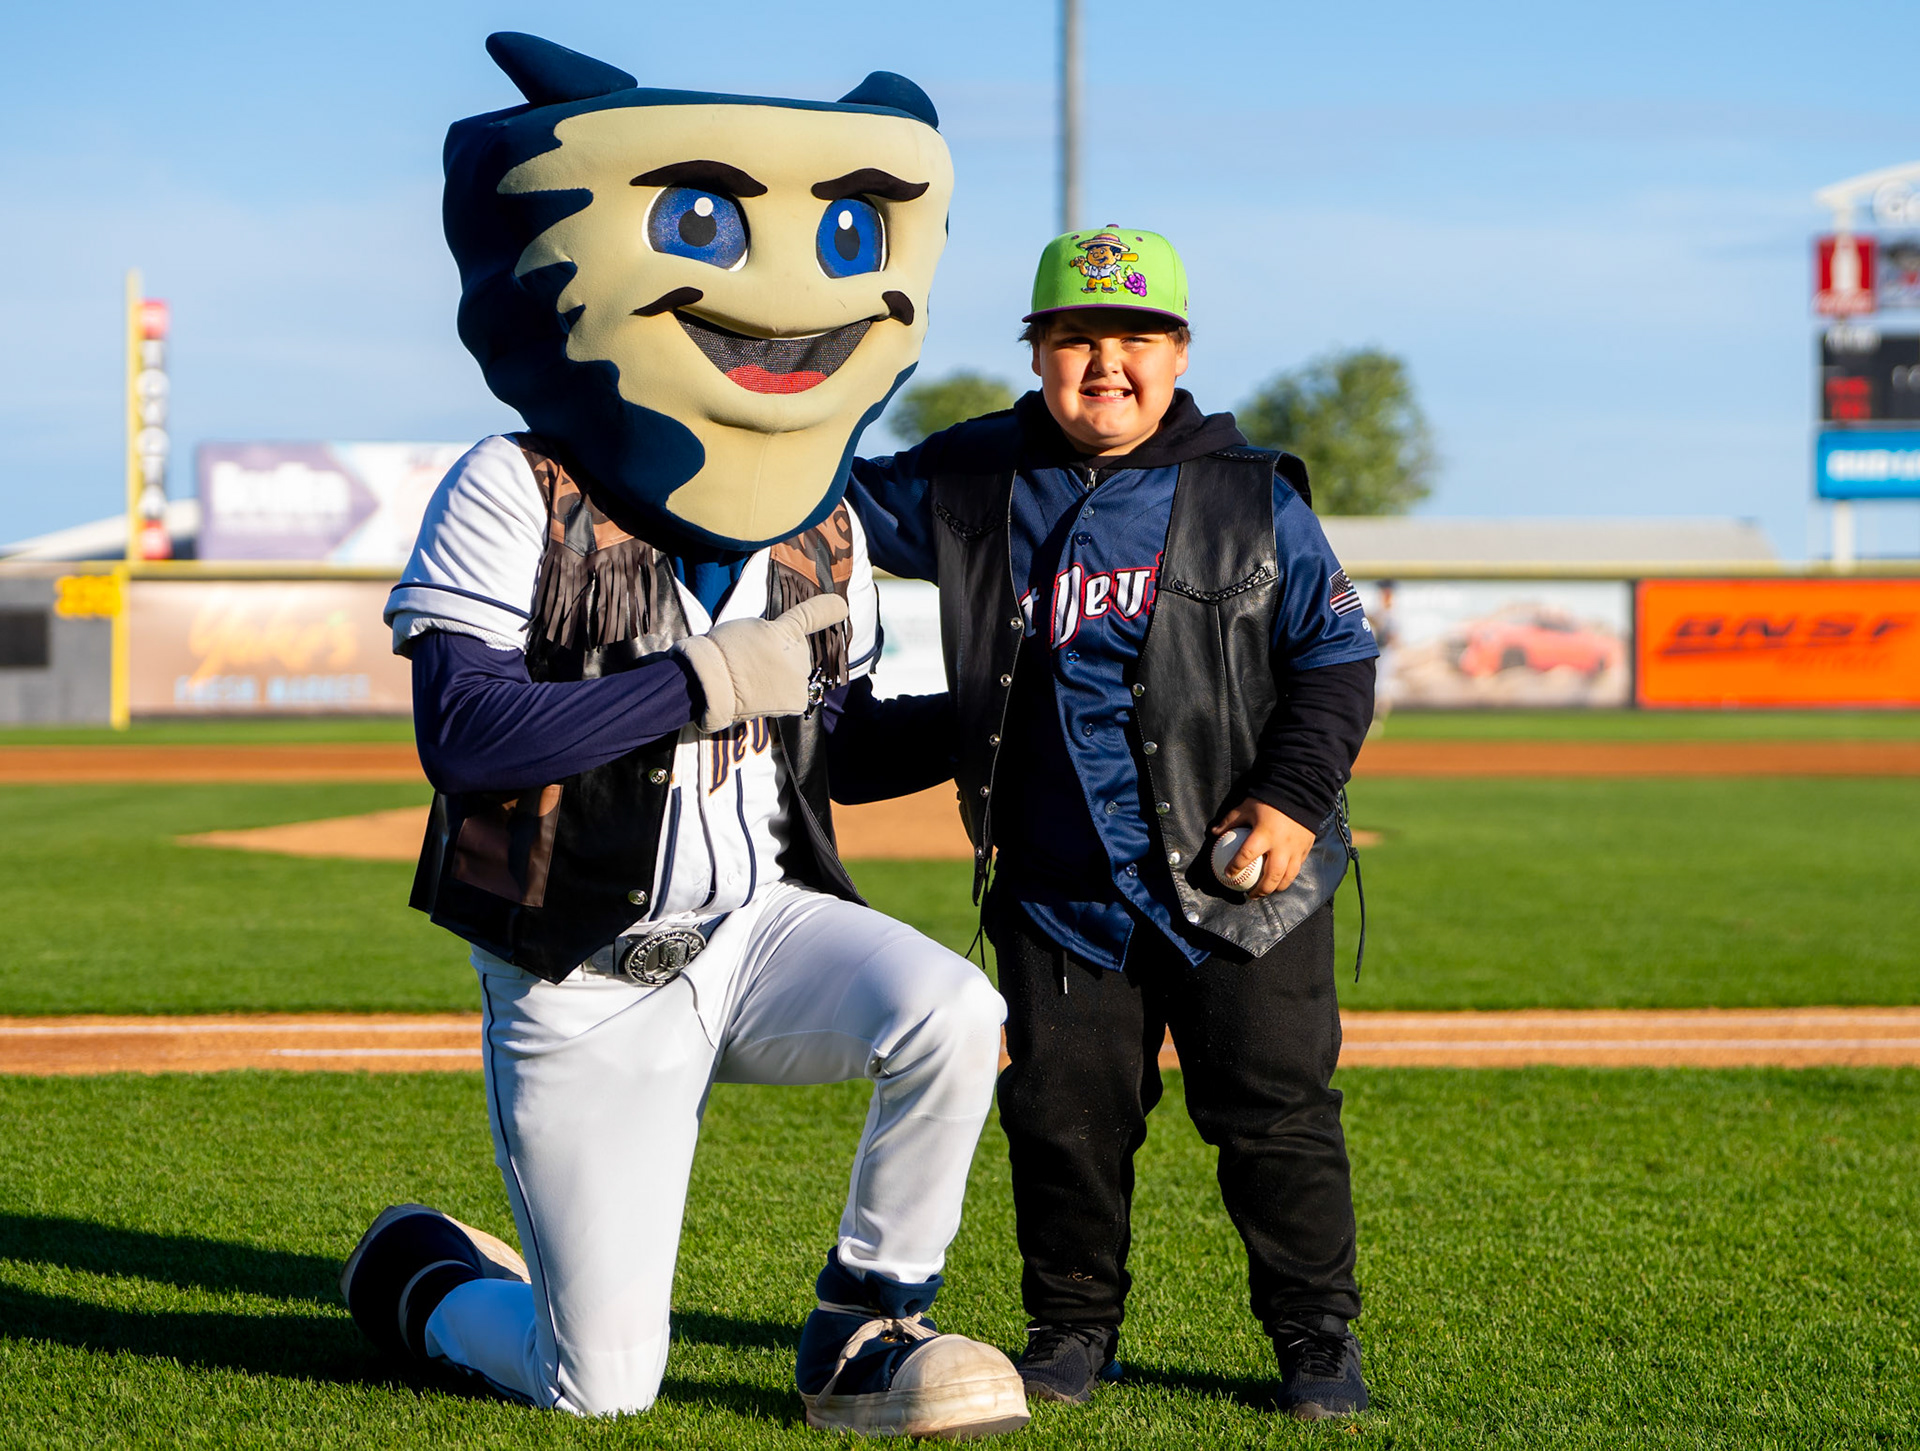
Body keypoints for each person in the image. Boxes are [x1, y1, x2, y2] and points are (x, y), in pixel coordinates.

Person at [336, 33, 1028, 1439]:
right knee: (600, 1386)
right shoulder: (516, 482)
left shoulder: (823, 520)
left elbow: (828, 748)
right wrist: (699, 677)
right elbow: (465, 734)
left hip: (756, 928)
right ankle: (423, 1278)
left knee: (956, 1009)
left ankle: (866, 1326)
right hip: (581, 969)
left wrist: (994, 717)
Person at [845, 226, 1380, 1419]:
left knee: (1275, 1114)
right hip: (1057, 882)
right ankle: (1074, 1331)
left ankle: (1316, 1340)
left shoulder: (1250, 490)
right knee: (1064, 1120)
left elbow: (1338, 657)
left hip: (1240, 877)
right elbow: (807, 492)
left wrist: (1293, 798)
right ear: (1036, 353)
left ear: (1178, 352)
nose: (1106, 363)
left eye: (1134, 336)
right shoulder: (969, 479)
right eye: (1075, 337)